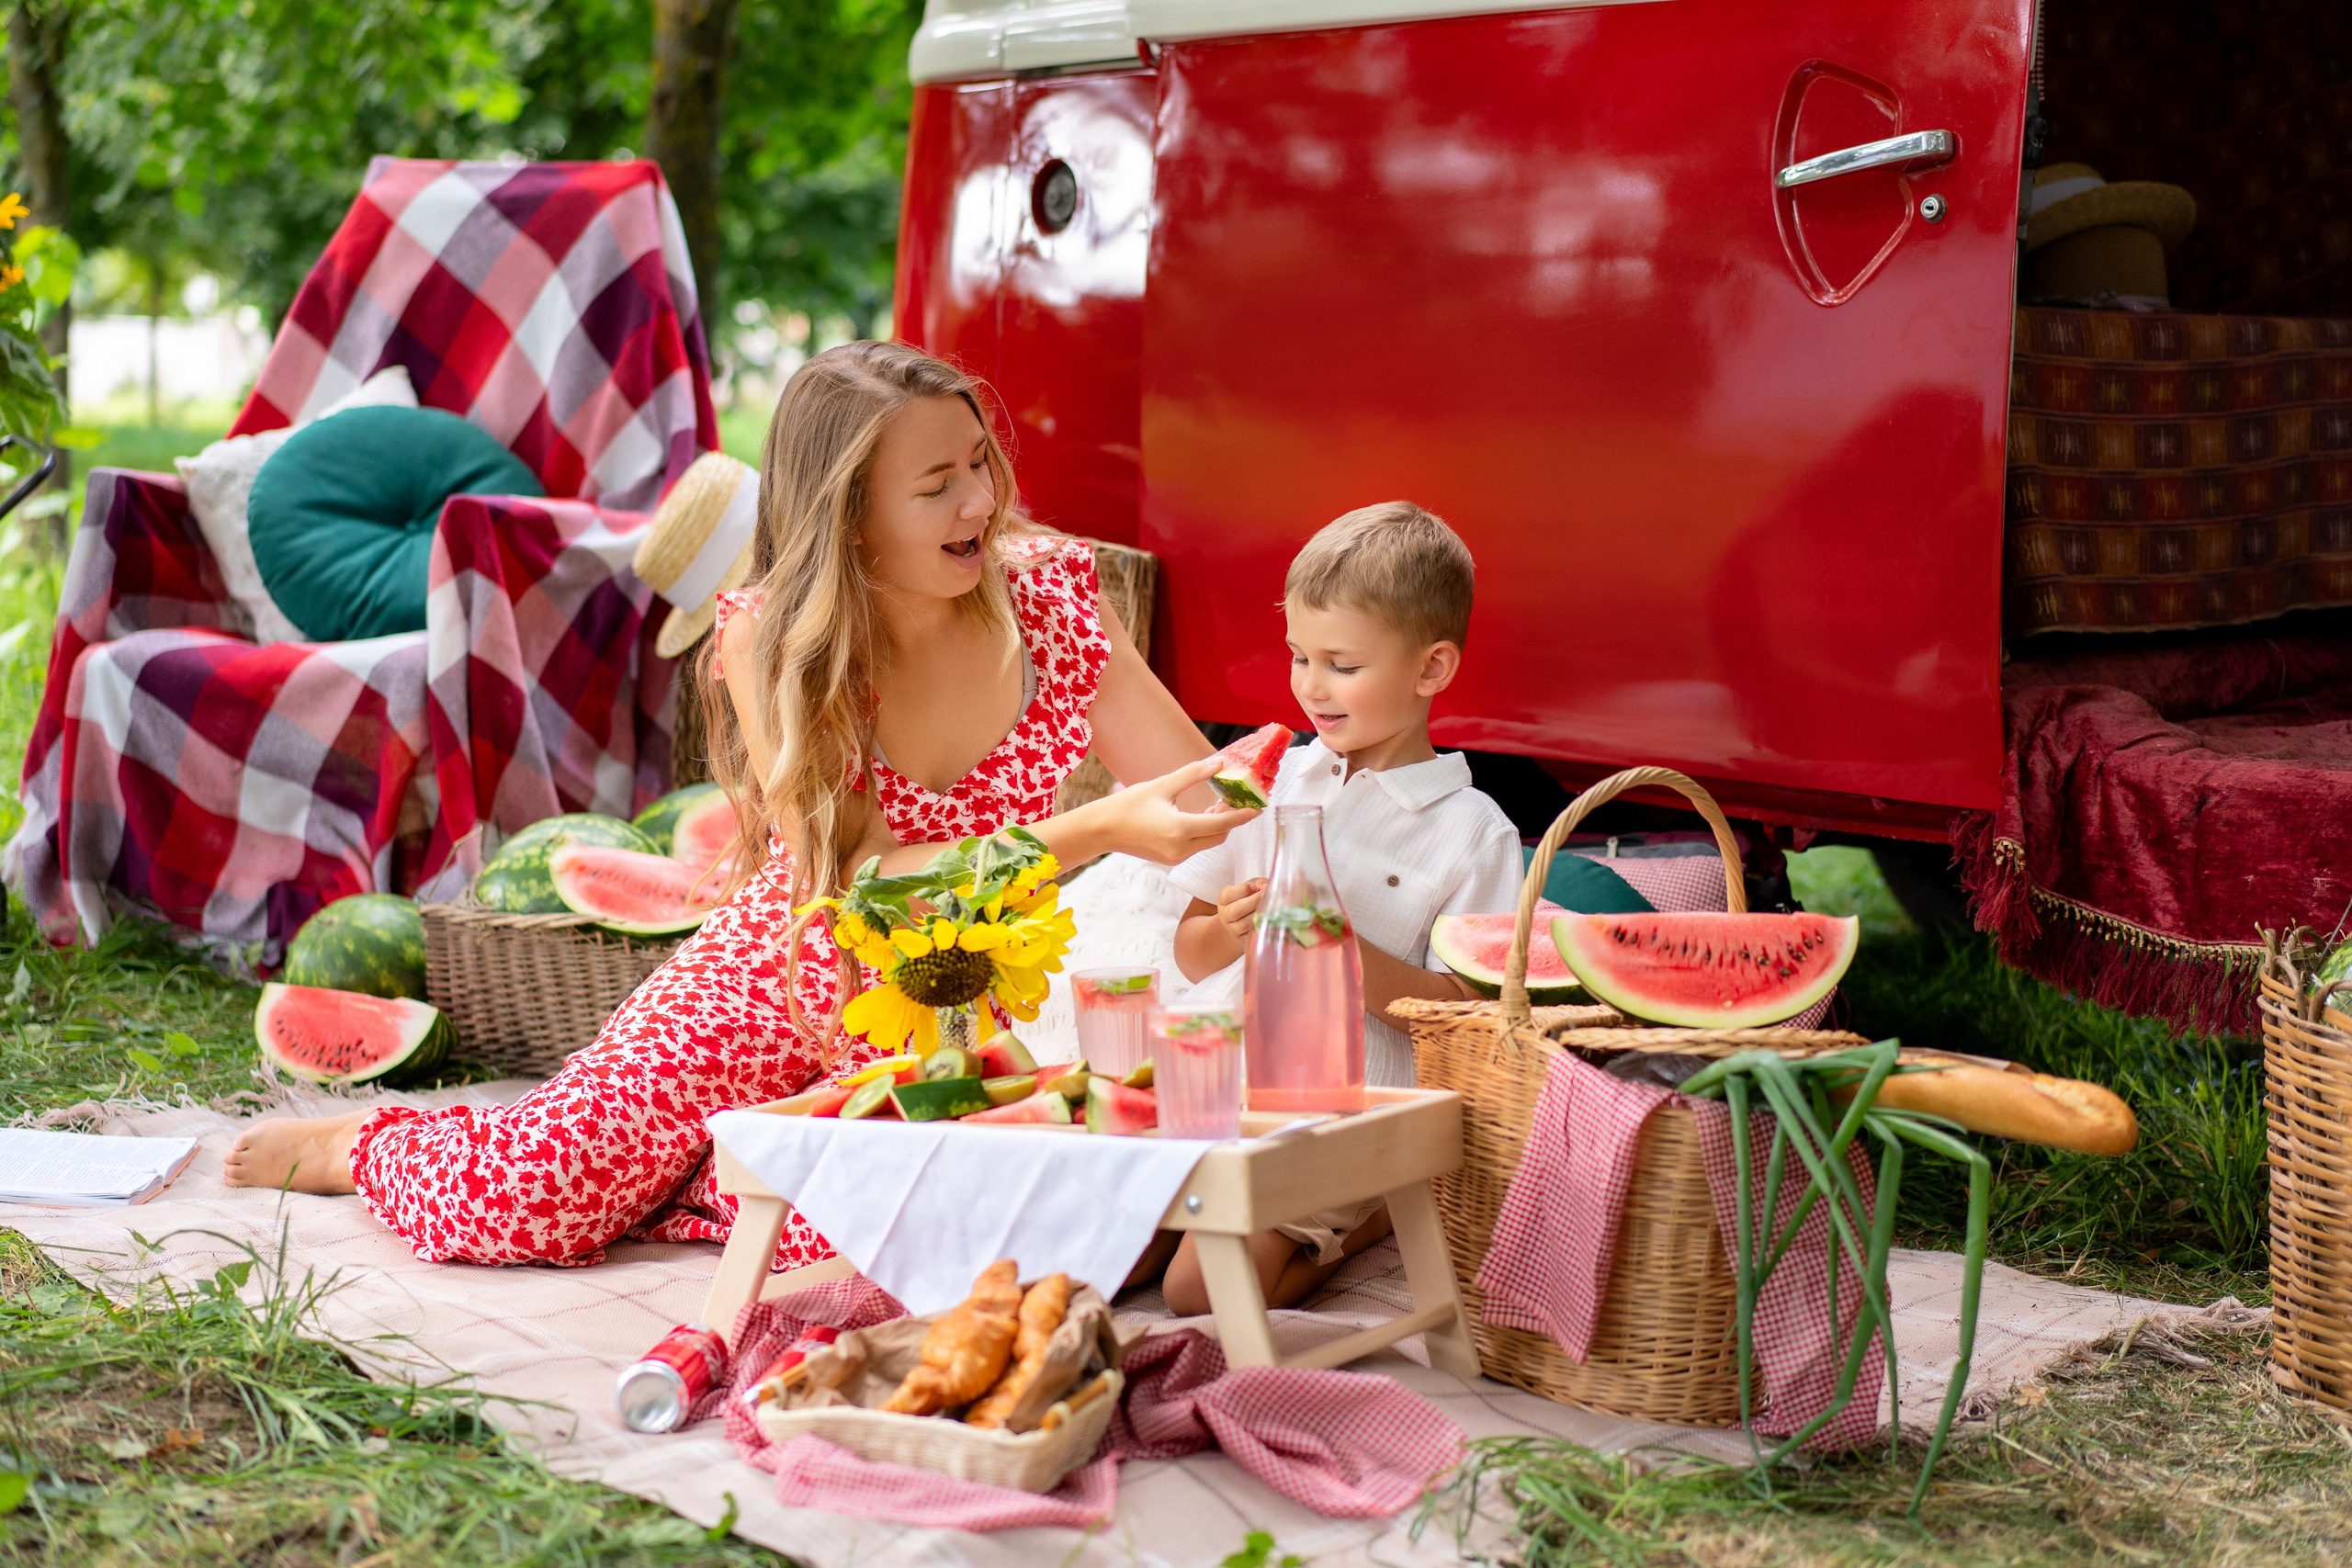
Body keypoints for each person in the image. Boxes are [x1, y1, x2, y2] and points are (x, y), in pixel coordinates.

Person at [223, 342, 1249, 1271]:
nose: (980, 502)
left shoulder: (1054, 600)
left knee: (873, 1245)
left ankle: (697, 1173)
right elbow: (854, 881)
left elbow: (1194, 788)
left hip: (962, 990)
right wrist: (1099, 830)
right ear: (848, 515)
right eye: (937, 486)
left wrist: (1299, 779)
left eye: (980, 463)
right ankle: (364, 1147)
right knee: (530, 1200)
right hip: (789, 966)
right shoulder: (774, 640)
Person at [1160, 502, 1524, 1314]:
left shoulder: (1472, 833)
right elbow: (1186, 949)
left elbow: (1472, 1020)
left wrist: (1352, 961)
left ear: (1430, 669)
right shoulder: (1272, 778)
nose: (1310, 686)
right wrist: (1223, 928)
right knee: (1110, 1248)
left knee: (1195, 1291)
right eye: (1298, 656)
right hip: (1214, 1096)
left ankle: (1375, 1217)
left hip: (1341, 1118)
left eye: (1342, 665)